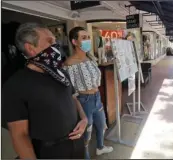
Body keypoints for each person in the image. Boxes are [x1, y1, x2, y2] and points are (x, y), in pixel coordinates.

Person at [2, 23, 88, 159]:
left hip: (77, 146)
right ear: (30, 48)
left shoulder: (60, 73)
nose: (56, 45)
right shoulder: (15, 85)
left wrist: (84, 119)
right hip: (49, 152)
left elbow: (73, 98)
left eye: (55, 40)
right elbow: (19, 136)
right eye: (50, 41)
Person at [64, 27, 113, 159]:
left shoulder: (91, 58)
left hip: (97, 98)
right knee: (86, 134)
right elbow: (70, 91)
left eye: (88, 37)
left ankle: (100, 148)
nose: (87, 40)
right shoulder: (69, 64)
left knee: (102, 125)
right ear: (74, 42)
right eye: (83, 38)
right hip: (84, 101)